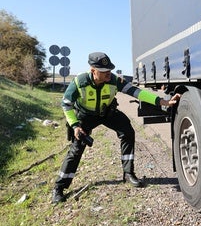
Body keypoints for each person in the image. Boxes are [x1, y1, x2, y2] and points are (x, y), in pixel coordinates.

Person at [52, 52, 180, 204]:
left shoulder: (113, 80)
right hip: (85, 116)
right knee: (76, 149)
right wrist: (75, 126)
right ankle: (59, 188)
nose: (108, 74)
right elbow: (66, 104)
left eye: (109, 70)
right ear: (93, 70)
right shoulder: (79, 82)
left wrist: (161, 102)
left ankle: (128, 173)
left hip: (107, 113)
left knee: (128, 132)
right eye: (104, 71)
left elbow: (136, 92)